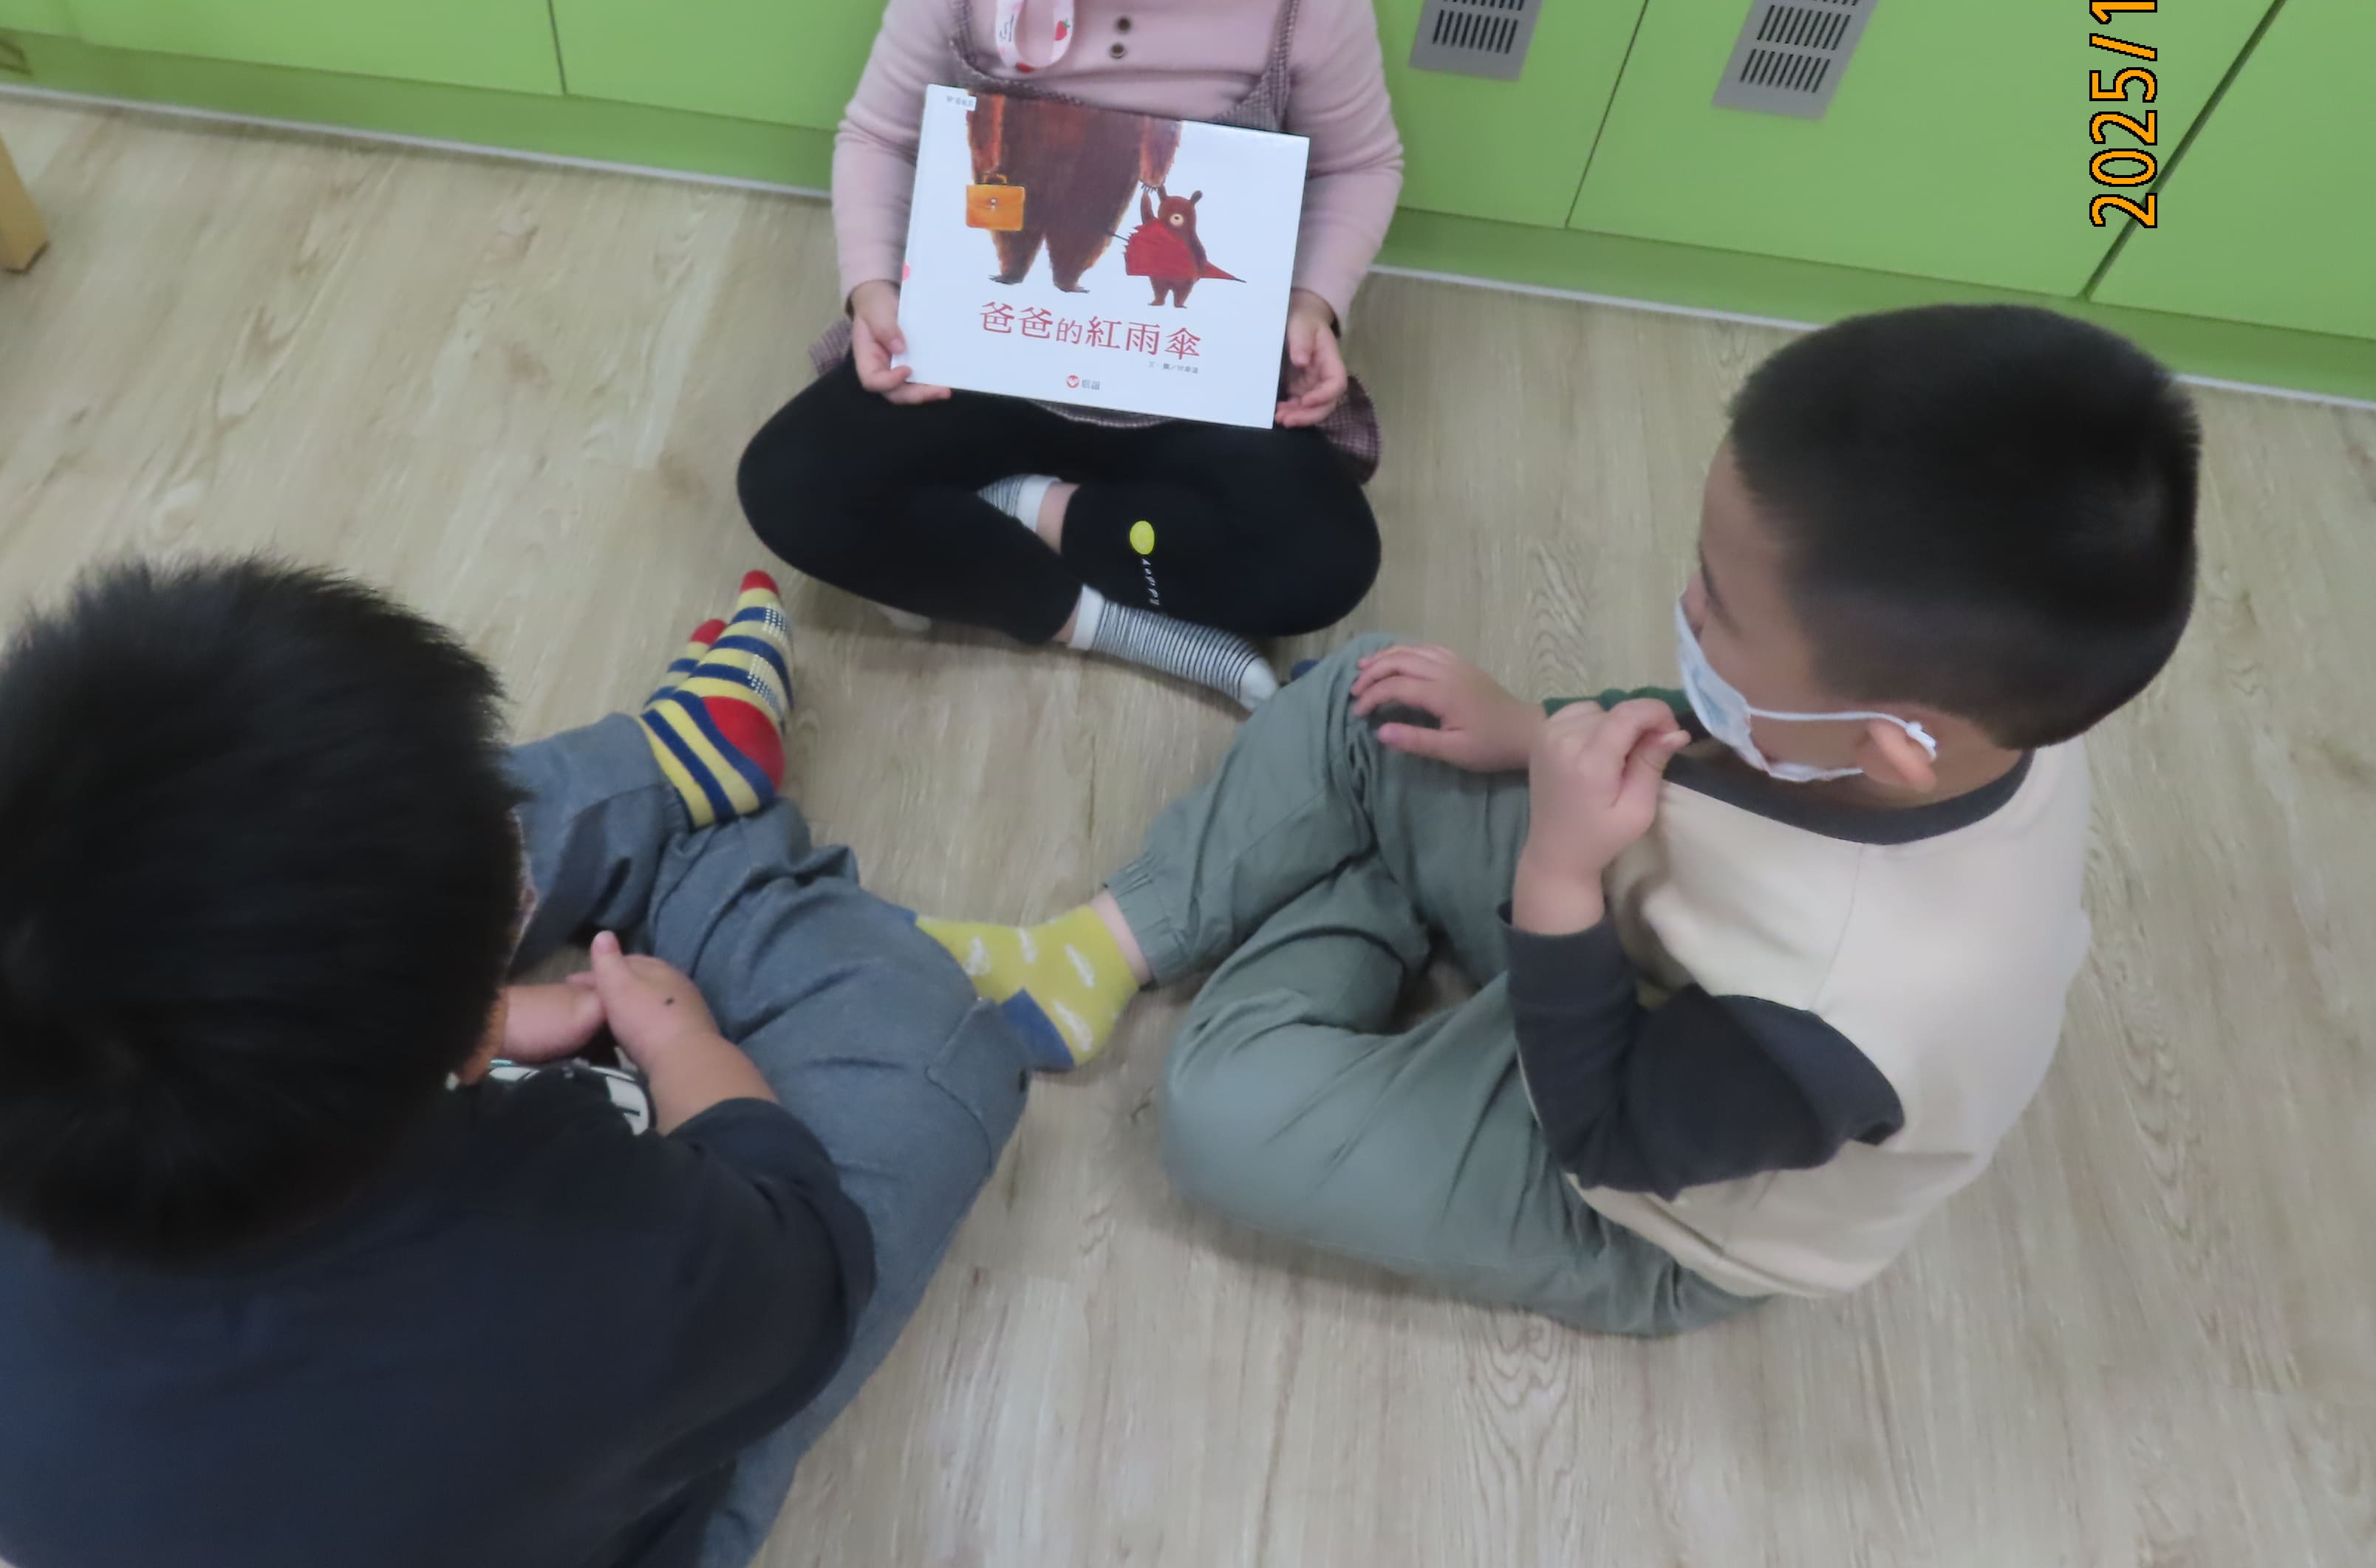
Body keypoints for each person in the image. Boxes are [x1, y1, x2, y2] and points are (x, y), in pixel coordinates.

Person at [915, 305, 2202, 1335]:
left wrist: (1558, 882)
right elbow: (1720, 735)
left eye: (1720, 611)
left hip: (1644, 1189)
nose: (1685, 610)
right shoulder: (1969, 721)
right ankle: (1102, 944)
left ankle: (1358, 894)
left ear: (1890, 746)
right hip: (1648, 918)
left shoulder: (1849, 1012)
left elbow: (1607, 1129)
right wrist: (1534, 734)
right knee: (1378, 690)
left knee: (1221, 1122)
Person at [0, 559, 1025, 1568]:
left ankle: (668, 771)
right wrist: (678, 1042)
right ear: (469, 1046)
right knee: (927, 1049)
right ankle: (709, 841)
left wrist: (460, 1020)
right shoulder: (592, 1254)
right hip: (584, 1494)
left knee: (286, 837)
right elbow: (806, 1260)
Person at [738, 0, 1404, 711]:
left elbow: (1361, 162)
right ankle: (1104, 618)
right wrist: (872, 289)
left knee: (1328, 559)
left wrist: (1314, 305)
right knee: (788, 485)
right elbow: (878, 135)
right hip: (991, 345)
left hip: (1189, 372)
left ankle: (1020, 519)